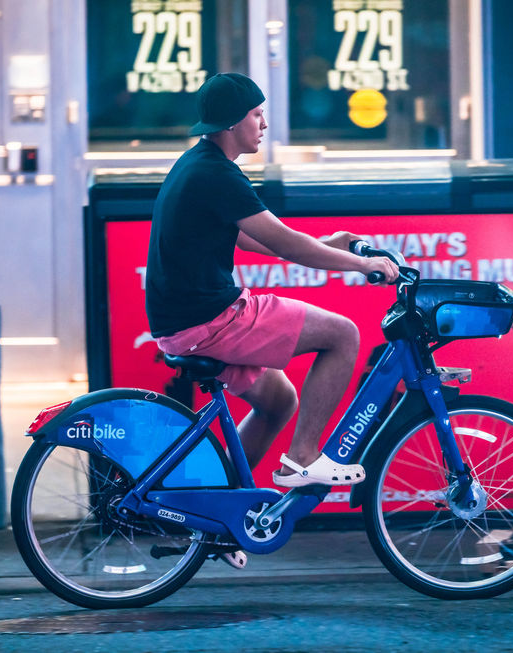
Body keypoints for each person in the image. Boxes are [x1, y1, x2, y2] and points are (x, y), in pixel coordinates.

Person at [145, 73, 399, 494]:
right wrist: (359, 264)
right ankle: (304, 459)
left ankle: (215, 506)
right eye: (257, 114)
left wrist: (323, 244)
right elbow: (287, 244)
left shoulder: (198, 164)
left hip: (183, 325)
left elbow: (250, 236)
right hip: (211, 322)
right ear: (231, 123)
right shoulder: (216, 175)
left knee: (279, 401)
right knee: (343, 334)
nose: (263, 124)